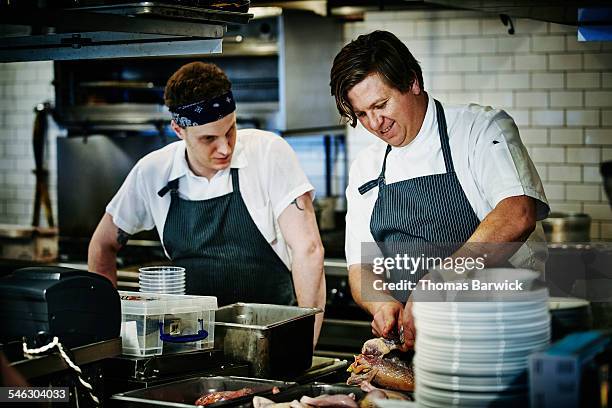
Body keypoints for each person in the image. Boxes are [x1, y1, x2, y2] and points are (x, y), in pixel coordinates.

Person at [329, 31, 549, 349]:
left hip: (499, 336)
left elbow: (518, 213)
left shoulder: (479, 129)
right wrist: (379, 303)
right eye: (362, 114)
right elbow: (362, 267)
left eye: (381, 104)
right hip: (419, 347)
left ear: (413, 82)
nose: (375, 123)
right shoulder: (367, 165)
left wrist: (439, 282)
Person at [89, 62, 326, 343]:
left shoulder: (267, 153)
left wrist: (304, 344)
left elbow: (308, 250)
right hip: (188, 341)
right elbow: (102, 245)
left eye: (231, 130)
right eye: (209, 139)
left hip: (271, 337)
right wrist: (105, 330)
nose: (225, 147)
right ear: (179, 130)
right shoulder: (153, 171)